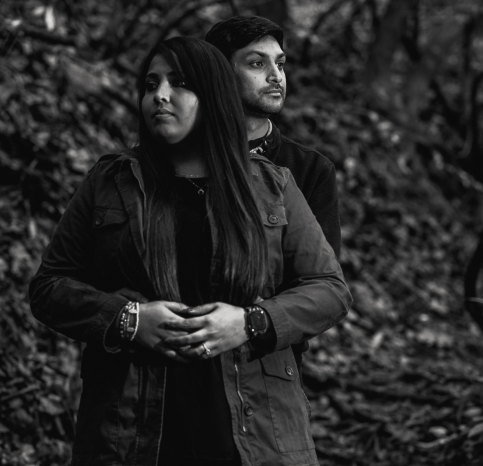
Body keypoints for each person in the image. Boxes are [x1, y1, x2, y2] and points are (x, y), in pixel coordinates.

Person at [29, 36, 351, 466]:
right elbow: (50, 286)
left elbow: (329, 289)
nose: (159, 96)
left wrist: (250, 323)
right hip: (131, 432)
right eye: (150, 84)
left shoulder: (273, 186)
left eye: (178, 82)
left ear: (213, 94)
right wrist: (130, 320)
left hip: (256, 433)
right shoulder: (111, 180)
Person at [206, 16, 342, 374]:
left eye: (280, 64)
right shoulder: (186, 157)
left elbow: (320, 291)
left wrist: (254, 321)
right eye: (257, 63)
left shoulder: (310, 170)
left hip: (266, 364)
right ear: (219, 72)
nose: (275, 76)